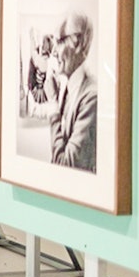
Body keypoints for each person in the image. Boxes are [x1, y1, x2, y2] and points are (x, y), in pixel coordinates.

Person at [45, 11, 97, 173]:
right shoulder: (68, 87)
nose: (54, 52)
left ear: (78, 43)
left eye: (59, 41)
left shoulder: (91, 97)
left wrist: (53, 104)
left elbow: (65, 165)